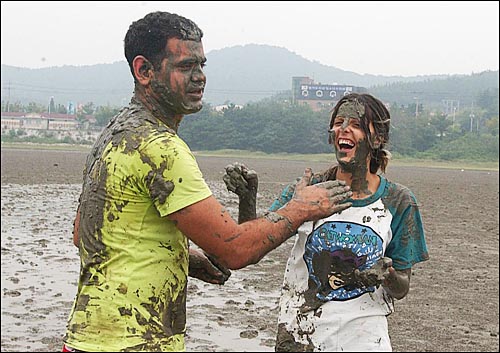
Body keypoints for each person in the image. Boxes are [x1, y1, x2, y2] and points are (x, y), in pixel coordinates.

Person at [62, 11, 353, 352]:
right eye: (186, 66)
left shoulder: (114, 135)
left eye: (202, 65)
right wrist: (299, 209)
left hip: (86, 338)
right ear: (143, 71)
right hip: (136, 342)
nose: (199, 77)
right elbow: (234, 248)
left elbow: (84, 232)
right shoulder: (161, 148)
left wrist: (181, 256)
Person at [224, 93, 429, 352]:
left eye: (355, 124)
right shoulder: (306, 191)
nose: (343, 129)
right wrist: (247, 199)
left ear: (378, 139)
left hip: (365, 341)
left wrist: (386, 275)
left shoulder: (398, 201)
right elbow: (252, 244)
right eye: (339, 122)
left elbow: (402, 287)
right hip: (301, 337)